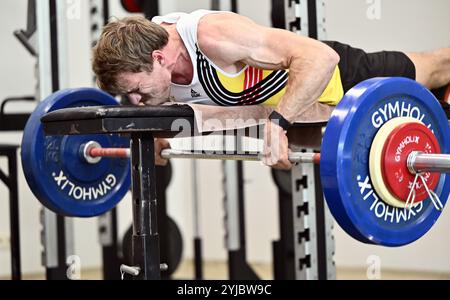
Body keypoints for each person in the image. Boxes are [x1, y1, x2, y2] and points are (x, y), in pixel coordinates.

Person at [92, 10, 450, 169]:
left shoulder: (212, 36)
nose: (137, 101)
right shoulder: (155, 67)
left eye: (137, 91)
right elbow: (214, 116)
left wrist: (278, 124)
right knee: (429, 126)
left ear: (159, 58)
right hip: (307, 122)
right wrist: (156, 133)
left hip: (339, 78)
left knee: (435, 69)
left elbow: (319, 57)